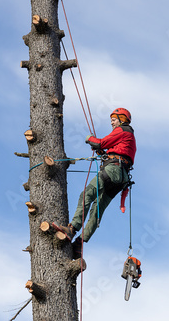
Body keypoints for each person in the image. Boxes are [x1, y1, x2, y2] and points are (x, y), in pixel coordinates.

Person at [58, 108, 136, 258]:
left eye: (114, 119)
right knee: (98, 209)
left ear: (122, 119)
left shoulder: (123, 130)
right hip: (121, 177)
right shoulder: (129, 136)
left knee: (87, 194)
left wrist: (90, 138)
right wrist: (105, 153)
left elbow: (101, 143)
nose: (112, 122)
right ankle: (80, 243)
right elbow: (117, 149)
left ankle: (72, 229)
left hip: (113, 169)